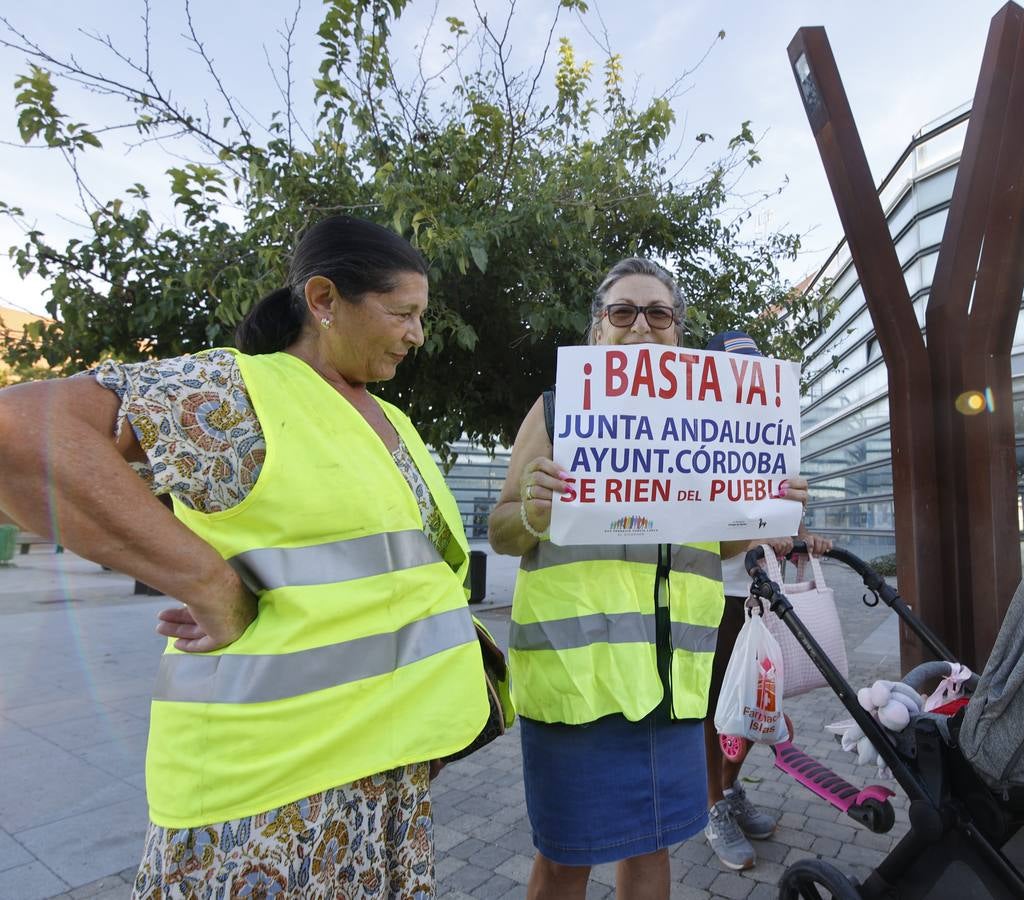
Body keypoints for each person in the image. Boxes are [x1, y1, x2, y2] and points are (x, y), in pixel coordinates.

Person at [0, 216, 502, 897]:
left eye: (422, 316)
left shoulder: (391, 420)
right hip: (271, 794)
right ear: (323, 300)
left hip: (385, 767)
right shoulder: (239, 393)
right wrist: (208, 584)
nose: (417, 334)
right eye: (402, 313)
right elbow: (22, 432)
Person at [488, 259, 811, 900]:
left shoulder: (714, 421)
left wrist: (769, 507)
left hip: (670, 686)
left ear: (677, 331)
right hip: (580, 685)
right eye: (623, 311)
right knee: (566, 857)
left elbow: (720, 545)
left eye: (658, 313)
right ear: (597, 329)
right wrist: (531, 510)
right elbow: (502, 531)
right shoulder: (558, 409)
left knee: (653, 846)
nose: (641, 325)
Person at [700, 330, 833, 871]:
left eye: (752, 371)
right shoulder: (696, 438)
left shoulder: (772, 437)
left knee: (761, 702)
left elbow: (786, 513)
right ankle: (712, 805)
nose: (745, 382)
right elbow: (701, 528)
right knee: (716, 708)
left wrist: (804, 538)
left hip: (764, 595)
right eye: (733, 373)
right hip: (716, 595)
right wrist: (758, 534)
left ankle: (729, 790)